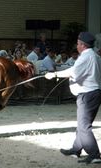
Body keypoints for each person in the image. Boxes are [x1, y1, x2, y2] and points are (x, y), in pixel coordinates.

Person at [45, 32, 101, 164]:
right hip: (94, 93)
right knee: (83, 124)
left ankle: (95, 154)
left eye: (77, 43)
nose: (76, 45)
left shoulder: (85, 56)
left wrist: (54, 75)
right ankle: (76, 149)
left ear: (82, 45)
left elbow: (73, 72)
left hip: (87, 95)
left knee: (84, 126)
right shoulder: (96, 56)